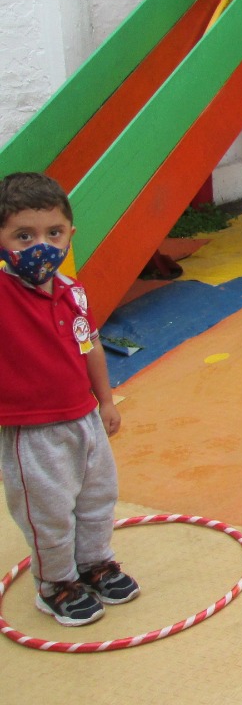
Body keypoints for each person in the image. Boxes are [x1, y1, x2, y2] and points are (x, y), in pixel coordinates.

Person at [0, 173, 140, 627]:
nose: (41, 246)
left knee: (98, 498)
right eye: (24, 236)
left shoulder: (72, 291)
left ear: (70, 235)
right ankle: (56, 584)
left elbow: (91, 345)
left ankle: (94, 563)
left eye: (54, 233)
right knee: (49, 514)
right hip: (31, 431)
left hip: (85, 420)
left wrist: (106, 401)